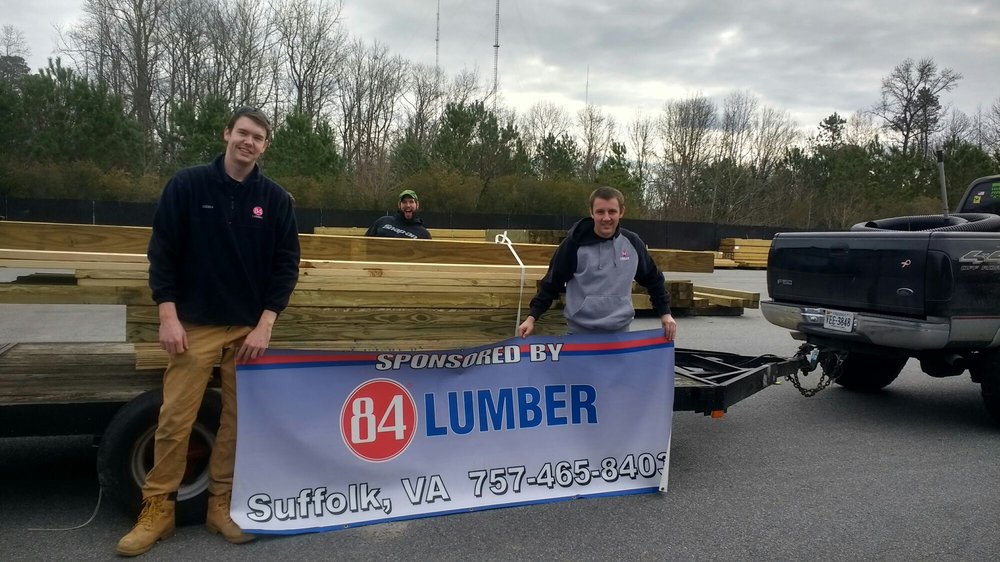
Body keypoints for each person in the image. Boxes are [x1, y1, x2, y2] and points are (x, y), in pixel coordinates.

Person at [117, 107, 300, 557]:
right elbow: (162, 251)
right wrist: (167, 315)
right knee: (175, 419)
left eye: (258, 137)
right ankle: (159, 509)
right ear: (227, 133)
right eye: (242, 133)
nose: (249, 142)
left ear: (265, 145)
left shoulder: (275, 200)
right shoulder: (188, 185)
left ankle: (221, 506)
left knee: (237, 425)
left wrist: (265, 325)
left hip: (246, 331)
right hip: (192, 326)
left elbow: (285, 266)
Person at [518, 186, 677, 341]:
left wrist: (665, 313)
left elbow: (653, 279)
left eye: (612, 211)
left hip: (620, 335)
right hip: (579, 335)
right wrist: (532, 318)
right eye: (600, 212)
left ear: (621, 212)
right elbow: (552, 283)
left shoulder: (632, 244)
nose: (606, 218)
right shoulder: (574, 245)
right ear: (591, 213)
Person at [365, 189, 432, 239]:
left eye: (411, 202)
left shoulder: (423, 234)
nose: (408, 205)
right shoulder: (383, 221)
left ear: (417, 205)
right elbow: (363, 244)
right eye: (404, 202)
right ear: (399, 205)